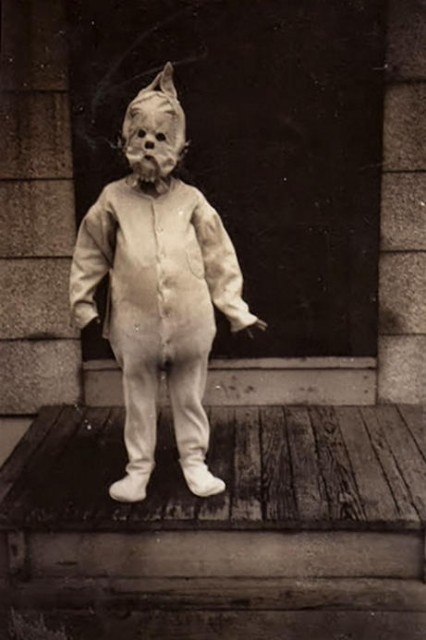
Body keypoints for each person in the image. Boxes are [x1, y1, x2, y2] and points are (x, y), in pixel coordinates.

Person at [70, 62, 266, 502]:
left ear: (180, 148)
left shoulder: (192, 200)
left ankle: (194, 462)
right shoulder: (113, 199)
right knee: (137, 398)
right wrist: (83, 305)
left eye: (160, 138)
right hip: (134, 323)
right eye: (140, 136)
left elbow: (219, 256)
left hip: (190, 321)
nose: (149, 145)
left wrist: (235, 310)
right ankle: (138, 469)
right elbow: (90, 250)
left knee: (189, 396)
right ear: (124, 141)